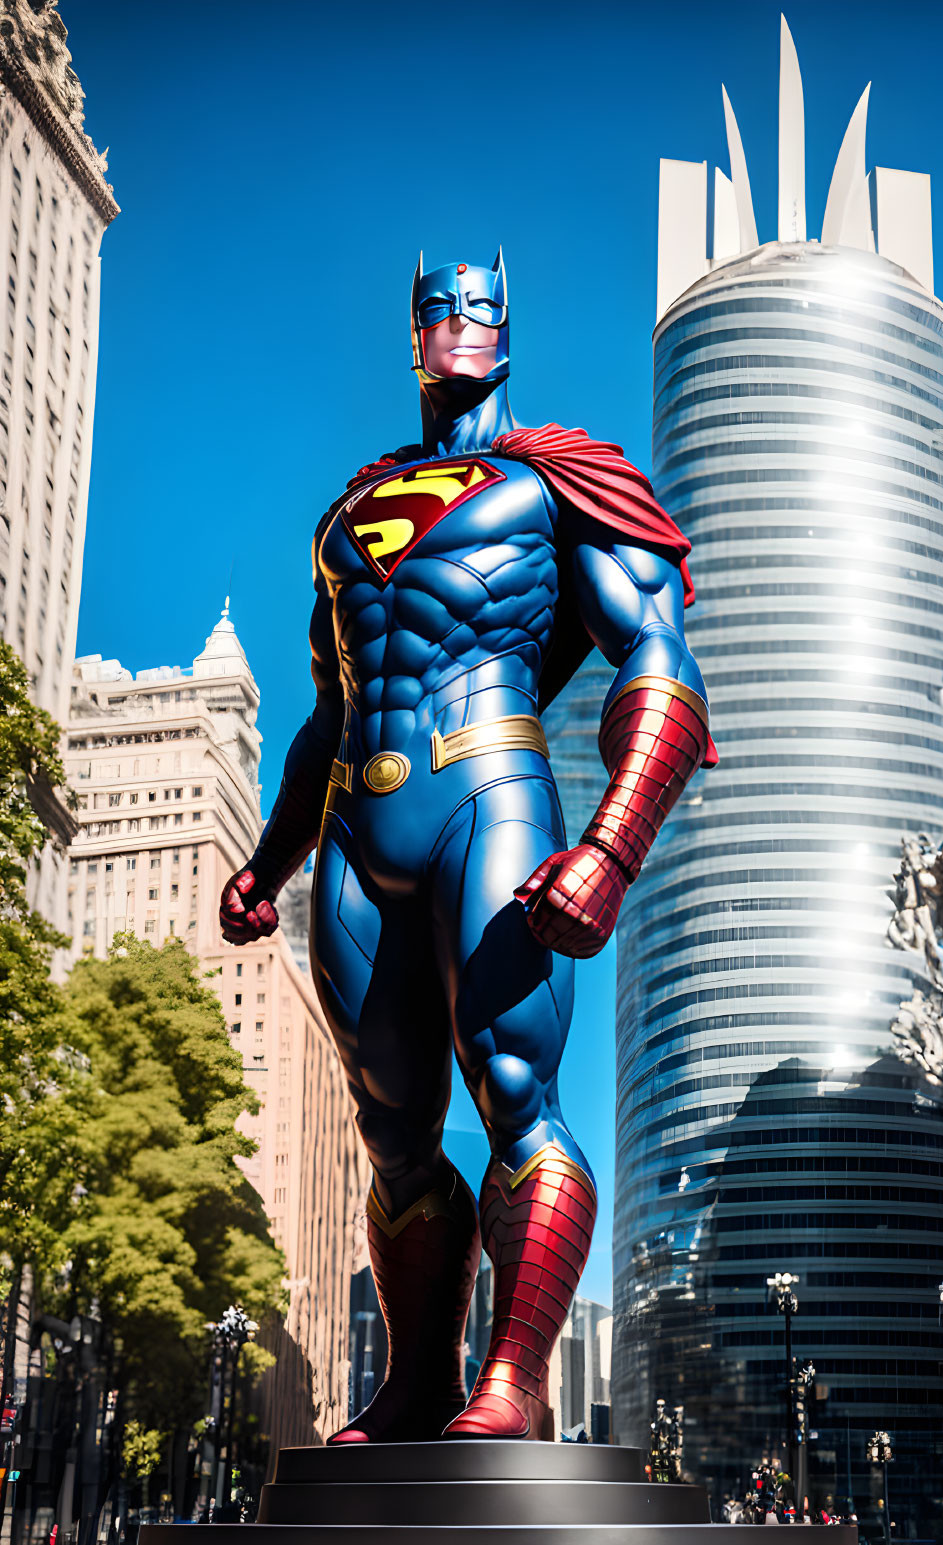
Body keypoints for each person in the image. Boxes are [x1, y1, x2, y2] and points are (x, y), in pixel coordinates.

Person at [220, 251, 712, 1444]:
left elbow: (660, 660)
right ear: (412, 333)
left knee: (511, 1091)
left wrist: (614, 843)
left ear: (508, 327)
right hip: (352, 816)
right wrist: (269, 864)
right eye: (435, 309)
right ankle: (419, 1382)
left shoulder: (557, 481)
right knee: (390, 1125)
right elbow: (329, 712)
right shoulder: (349, 514)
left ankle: (518, 1377)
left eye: (477, 307)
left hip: (486, 789)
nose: (455, 325)